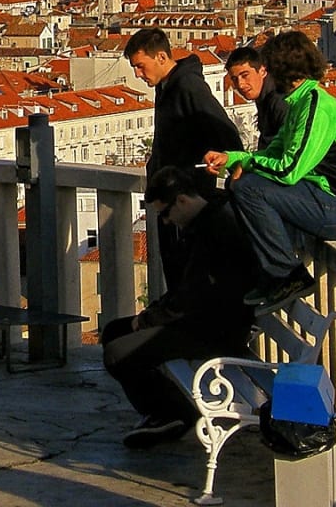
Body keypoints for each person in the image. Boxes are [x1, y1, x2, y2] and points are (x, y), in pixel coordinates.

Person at [101, 166, 256, 449]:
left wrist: (146, 321)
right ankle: (163, 411)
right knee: (113, 331)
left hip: (215, 329)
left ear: (182, 200)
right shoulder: (207, 220)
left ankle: (171, 414)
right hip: (203, 319)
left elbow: (193, 298)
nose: (167, 221)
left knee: (116, 353)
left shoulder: (215, 230)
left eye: (165, 213)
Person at [204, 30, 336, 310]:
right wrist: (233, 158)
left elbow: (289, 168)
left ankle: (288, 276)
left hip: (332, 203)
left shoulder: (315, 105)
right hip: (320, 198)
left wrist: (249, 165)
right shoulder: (300, 101)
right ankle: (271, 275)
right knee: (244, 186)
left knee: (248, 187)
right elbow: (274, 152)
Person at [124, 27, 243, 290]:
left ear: (162, 58)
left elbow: (225, 131)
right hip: (172, 196)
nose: (138, 74)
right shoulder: (167, 86)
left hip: (187, 196)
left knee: (188, 271)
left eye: (141, 66)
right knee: (177, 270)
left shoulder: (188, 85)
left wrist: (236, 166)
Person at [225, 45, 288, 150]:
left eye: (245, 75)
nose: (240, 84)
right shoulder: (264, 98)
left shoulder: (280, 102)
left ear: (262, 71)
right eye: (235, 79)